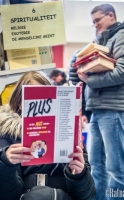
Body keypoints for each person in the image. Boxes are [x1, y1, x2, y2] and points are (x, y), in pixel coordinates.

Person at [0, 71, 96, 200]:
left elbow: (88, 196)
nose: (39, 105)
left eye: (45, 98)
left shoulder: (71, 134)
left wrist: (79, 175)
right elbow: (4, 194)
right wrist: (5, 164)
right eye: (31, 99)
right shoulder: (8, 135)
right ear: (19, 103)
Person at [76, 4, 124, 200]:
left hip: (112, 110)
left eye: (98, 20)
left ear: (111, 16)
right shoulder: (102, 41)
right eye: (93, 22)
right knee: (96, 165)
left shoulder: (120, 36)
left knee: (115, 167)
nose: (95, 25)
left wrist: (90, 80)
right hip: (98, 110)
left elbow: (121, 72)